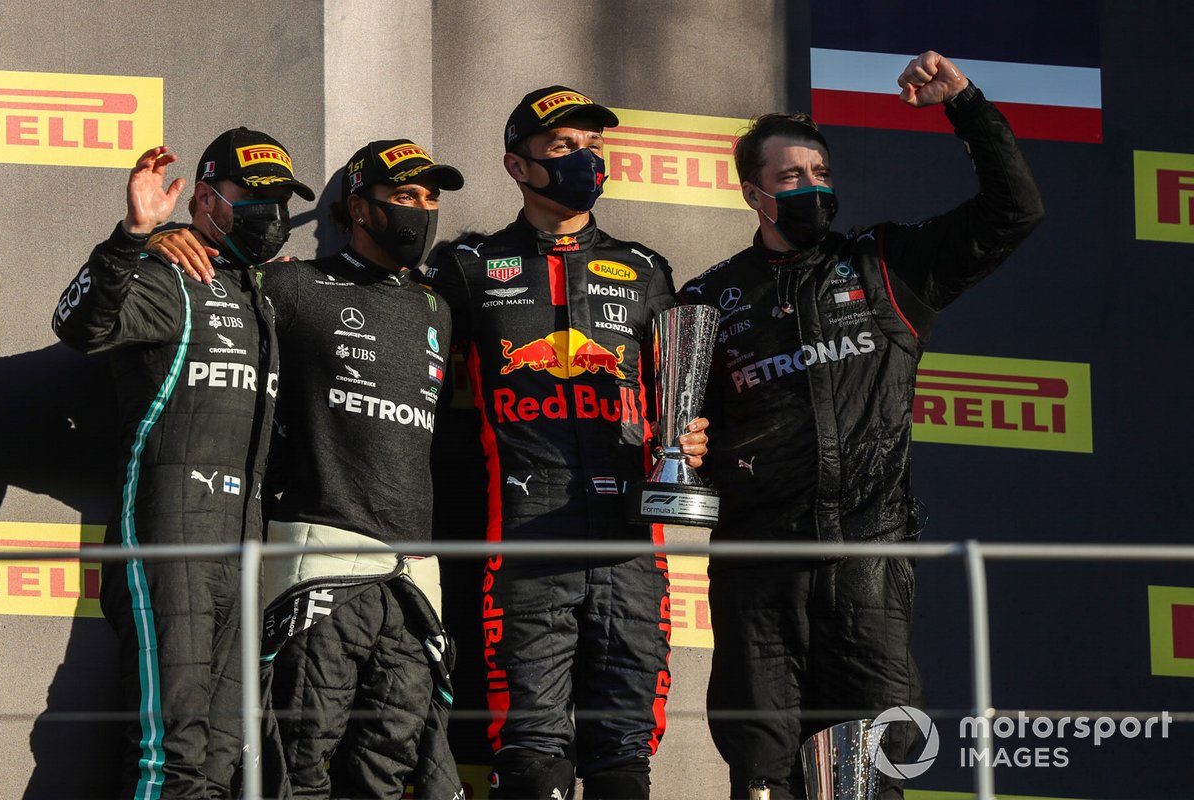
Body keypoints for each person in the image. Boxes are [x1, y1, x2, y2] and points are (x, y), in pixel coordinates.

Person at [677, 52, 1044, 799]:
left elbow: (1016, 210)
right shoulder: (707, 298)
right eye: (789, 178)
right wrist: (689, 452)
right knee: (762, 766)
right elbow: (684, 431)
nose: (812, 188)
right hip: (757, 570)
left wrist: (965, 104)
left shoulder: (887, 265)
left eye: (820, 173)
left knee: (874, 765)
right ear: (753, 194)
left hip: (867, 558)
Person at [148, 139, 467, 799]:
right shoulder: (292, 285)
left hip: (414, 581)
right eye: (405, 196)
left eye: (430, 198)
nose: (422, 211)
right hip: (318, 570)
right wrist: (167, 238)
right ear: (358, 206)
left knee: (387, 771)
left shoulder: (438, 307)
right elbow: (221, 280)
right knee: (298, 767)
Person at [426, 85, 709, 800]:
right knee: (529, 747)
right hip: (522, 530)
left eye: (593, 146)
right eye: (563, 148)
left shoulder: (645, 268)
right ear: (517, 166)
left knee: (622, 753)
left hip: (630, 537)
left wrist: (689, 438)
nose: (586, 159)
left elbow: (682, 390)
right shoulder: (469, 266)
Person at [50, 127, 313, 799]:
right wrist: (134, 236)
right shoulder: (169, 272)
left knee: (223, 762)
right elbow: (78, 324)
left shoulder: (266, 297)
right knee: (176, 757)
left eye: (282, 200)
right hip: (174, 538)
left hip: (244, 546)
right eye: (254, 198)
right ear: (205, 198)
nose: (272, 216)